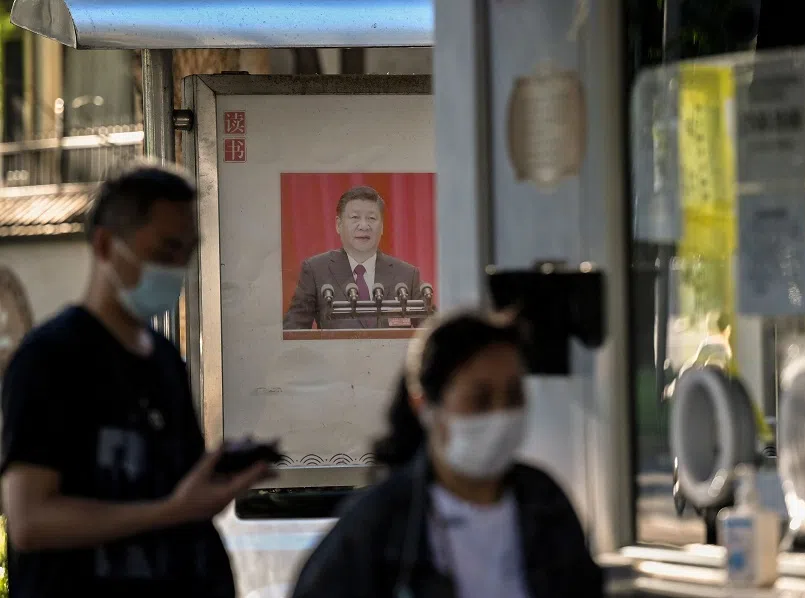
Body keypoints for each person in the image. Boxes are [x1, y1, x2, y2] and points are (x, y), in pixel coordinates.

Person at [0, 163, 270, 598]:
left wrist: (214, 479)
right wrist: (170, 511)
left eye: (187, 252)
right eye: (165, 251)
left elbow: (179, 495)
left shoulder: (164, 360)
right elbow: (30, 521)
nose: (178, 267)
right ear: (106, 245)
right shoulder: (49, 358)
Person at [291, 310, 604, 598]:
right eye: (480, 399)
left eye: (513, 396)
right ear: (426, 406)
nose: (501, 414)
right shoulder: (381, 523)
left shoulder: (545, 503)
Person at [283, 186, 425, 330]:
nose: (364, 226)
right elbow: (293, 330)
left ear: (382, 227)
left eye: (371, 218)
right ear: (338, 225)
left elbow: (431, 329)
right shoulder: (316, 271)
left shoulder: (407, 275)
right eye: (355, 217)